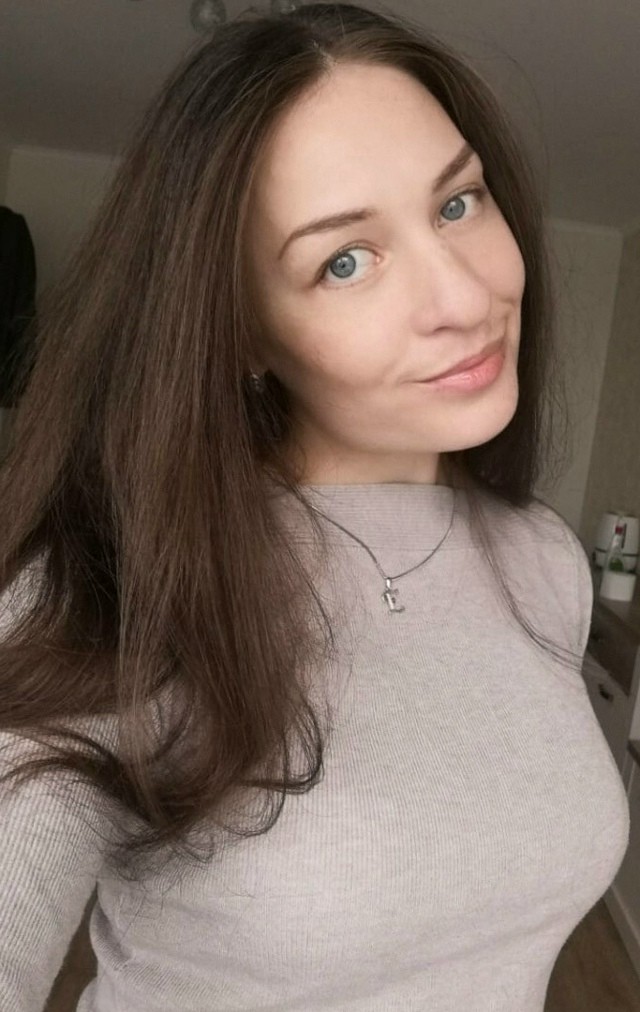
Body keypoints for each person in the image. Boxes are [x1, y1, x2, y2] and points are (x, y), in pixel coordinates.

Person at [0, 3, 630, 1010]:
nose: (464, 300)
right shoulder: (111, 587)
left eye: (458, 203)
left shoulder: (543, 559)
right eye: (345, 261)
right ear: (241, 333)